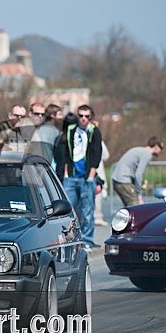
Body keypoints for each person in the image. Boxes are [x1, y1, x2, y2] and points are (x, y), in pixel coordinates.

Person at [55, 105, 103, 250]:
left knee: (87, 211)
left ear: (91, 117)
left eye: (86, 116)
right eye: (80, 116)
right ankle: (69, 240)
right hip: (71, 176)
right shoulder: (70, 131)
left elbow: (96, 154)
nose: (83, 119)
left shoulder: (94, 132)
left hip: (86, 177)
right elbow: (64, 154)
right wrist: (66, 174)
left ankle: (87, 240)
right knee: (68, 210)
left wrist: (91, 176)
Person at [111, 136, 164, 206]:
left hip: (117, 180)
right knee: (135, 206)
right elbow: (138, 174)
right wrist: (139, 194)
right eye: (161, 148)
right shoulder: (147, 154)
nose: (161, 151)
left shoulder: (140, 150)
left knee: (129, 207)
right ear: (156, 146)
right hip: (123, 180)